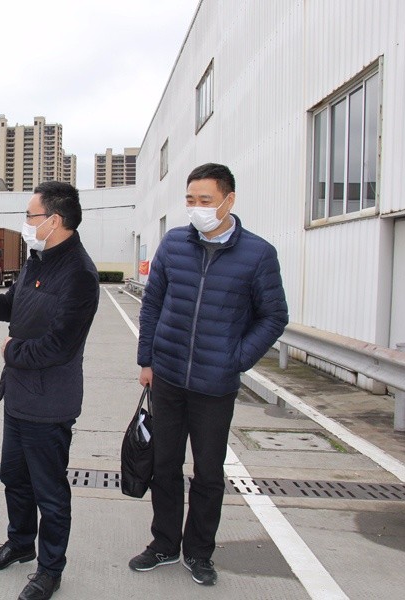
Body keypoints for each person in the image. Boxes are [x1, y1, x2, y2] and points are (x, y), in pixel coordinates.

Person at [130, 163, 288, 586]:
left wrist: (236, 359)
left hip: (214, 386)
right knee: (164, 465)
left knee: (209, 472)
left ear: (228, 201)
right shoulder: (173, 244)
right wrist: (147, 360)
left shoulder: (258, 254)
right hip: (167, 376)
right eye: (190, 200)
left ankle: (199, 552)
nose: (196, 207)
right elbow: (153, 303)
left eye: (205, 200)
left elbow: (274, 316)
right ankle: (164, 543)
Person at [0, 181, 100, 600]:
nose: (25, 223)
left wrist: (12, 350)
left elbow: (61, 345)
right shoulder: (37, 261)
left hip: (49, 401)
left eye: (30, 215)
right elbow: (15, 308)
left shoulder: (79, 274)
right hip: (20, 395)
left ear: (53, 220)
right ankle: (20, 543)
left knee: (50, 492)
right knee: (15, 478)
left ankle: (50, 569)